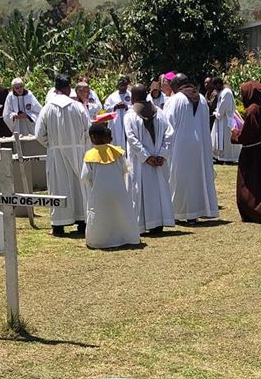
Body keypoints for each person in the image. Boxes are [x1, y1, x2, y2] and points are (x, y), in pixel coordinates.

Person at [35, 74, 90, 236]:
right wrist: (80, 145)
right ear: (67, 88)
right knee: (79, 185)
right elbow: (88, 129)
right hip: (77, 152)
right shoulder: (78, 107)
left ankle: (58, 225)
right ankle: (82, 221)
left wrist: (52, 145)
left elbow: (39, 134)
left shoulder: (47, 108)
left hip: (56, 153)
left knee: (59, 185)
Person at [164, 74, 218, 223]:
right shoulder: (201, 98)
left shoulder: (175, 100)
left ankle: (180, 213)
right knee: (198, 177)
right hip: (201, 145)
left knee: (180, 178)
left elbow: (167, 126)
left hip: (181, 145)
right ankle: (197, 211)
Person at [80, 121, 141, 250]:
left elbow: (85, 177)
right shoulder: (118, 153)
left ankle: (99, 241)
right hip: (118, 191)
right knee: (122, 213)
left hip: (99, 192)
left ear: (92, 138)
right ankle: (127, 237)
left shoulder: (90, 155)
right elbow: (125, 169)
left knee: (99, 215)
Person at [125, 83, 175, 235]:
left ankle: (142, 224)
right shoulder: (159, 112)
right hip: (158, 161)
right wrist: (161, 154)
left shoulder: (130, 115)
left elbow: (131, 139)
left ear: (132, 97)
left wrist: (145, 156)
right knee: (159, 189)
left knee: (140, 190)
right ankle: (159, 222)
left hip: (142, 162)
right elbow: (169, 134)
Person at [234, 81, 261, 223]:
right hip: (258, 149)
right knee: (259, 181)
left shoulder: (252, 110)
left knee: (248, 183)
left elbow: (248, 133)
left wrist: (235, 135)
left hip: (251, 150)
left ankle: (256, 211)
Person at [211, 77, 238, 163]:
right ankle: (220, 157)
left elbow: (223, 107)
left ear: (219, 84)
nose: (215, 89)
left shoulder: (226, 92)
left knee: (227, 139)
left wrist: (216, 114)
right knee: (220, 138)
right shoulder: (223, 92)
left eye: (215, 86)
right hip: (222, 119)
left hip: (226, 120)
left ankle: (228, 158)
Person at [103, 76, 132, 149]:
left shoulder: (131, 95)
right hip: (116, 124)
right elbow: (106, 107)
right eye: (121, 85)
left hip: (128, 122)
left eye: (124, 85)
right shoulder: (112, 96)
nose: (122, 87)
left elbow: (135, 106)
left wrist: (126, 107)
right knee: (116, 142)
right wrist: (115, 107)